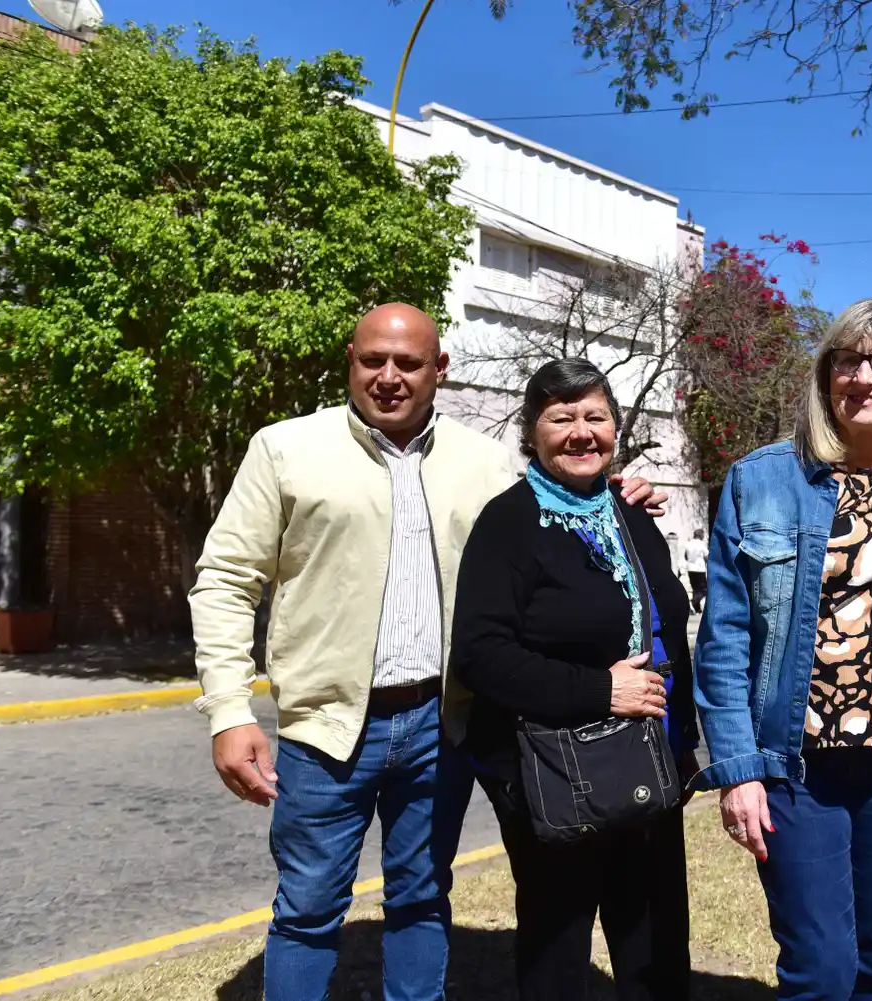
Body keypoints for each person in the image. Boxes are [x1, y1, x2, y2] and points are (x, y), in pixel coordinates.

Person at [189, 305, 664, 1001]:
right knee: (309, 910)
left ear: (438, 369)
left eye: (408, 363)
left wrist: (618, 493)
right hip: (326, 729)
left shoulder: (488, 462)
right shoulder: (286, 449)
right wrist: (230, 711)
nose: (388, 377)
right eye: (372, 360)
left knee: (420, 898)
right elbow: (226, 579)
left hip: (442, 727)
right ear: (349, 359)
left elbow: (558, 499)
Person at [693, 297, 872, 1001]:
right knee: (820, 970)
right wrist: (736, 769)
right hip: (796, 770)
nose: (865, 377)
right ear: (825, 373)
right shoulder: (763, 480)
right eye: (848, 359)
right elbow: (725, 637)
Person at [449, 358, 700, 1001]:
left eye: (596, 417)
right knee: (557, 959)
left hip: (647, 768)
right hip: (553, 777)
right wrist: (600, 691)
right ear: (532, 433)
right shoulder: (508, 524)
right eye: (561, 419)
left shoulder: (631, 515)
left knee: (657, 954)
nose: (581, 433)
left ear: (616, 428)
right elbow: (481, 654)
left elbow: (668, 630)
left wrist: (687, 744)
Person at [683, 529, 709, 613]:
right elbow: (706, 556)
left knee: (695, 589)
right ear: (701, 535)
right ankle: (692, 603)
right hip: (700, 569)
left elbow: (686, 557)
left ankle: (697, 609)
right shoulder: (701, 544)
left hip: (690, 569)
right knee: (704, 590)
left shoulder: (688, 544)